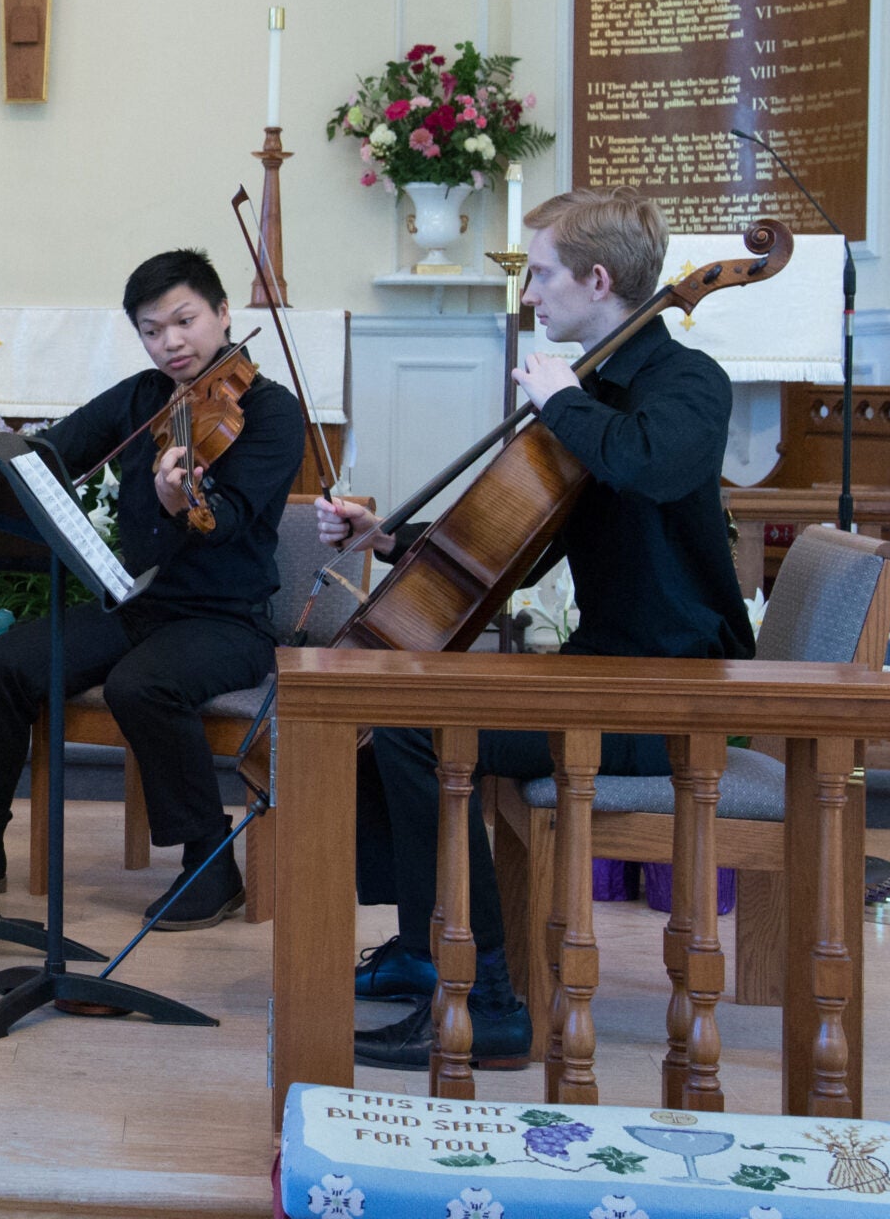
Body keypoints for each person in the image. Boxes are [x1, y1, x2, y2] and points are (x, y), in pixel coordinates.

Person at [318, 186, 754, 1070]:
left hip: (674, 691)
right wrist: (389, 539)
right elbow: (517, 548)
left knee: (411, 728)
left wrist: (564, 404)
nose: (530, 295)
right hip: (607, 672)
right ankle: (419, 945)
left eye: (543, 274)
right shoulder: (588, 389)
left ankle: (489, 1005)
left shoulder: (687, 383)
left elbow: (655, 468)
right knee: (385, 703)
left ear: (597, 279)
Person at [0, 249, 305, 929]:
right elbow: (52, 453)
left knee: (142, 685)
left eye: (184, 320)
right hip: (138, 602)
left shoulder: (273, 414)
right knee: (1, 665)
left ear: (223, 314)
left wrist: (177, 498)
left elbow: (232, 520)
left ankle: (210, 863)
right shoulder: (141, 399)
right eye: (152, 330)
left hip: (227, 620)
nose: (171, 342)